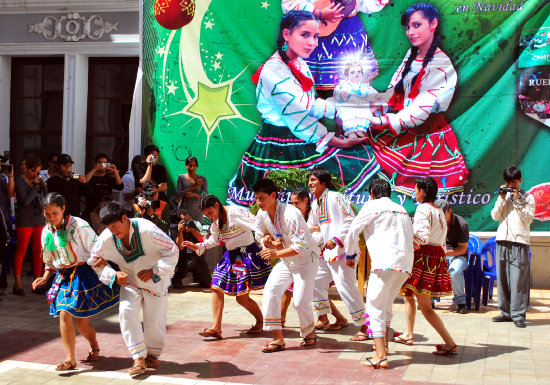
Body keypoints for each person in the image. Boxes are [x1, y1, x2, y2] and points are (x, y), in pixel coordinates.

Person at [227, 10, 380, 206]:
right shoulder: (274, 71)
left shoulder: (298, 63)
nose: (312, 43)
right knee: (285, 201)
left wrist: (347, 109)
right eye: (305, 35)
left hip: (300, 139)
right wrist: (338, 136)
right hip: (279, 146)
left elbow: (310, 104)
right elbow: (299, 113)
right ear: (286, 34)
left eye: (315, 36)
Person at [365, 3, 468, 196]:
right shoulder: (412, 55)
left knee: (423, 191)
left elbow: (421, 109)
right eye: (407, 27)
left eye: (416, 25)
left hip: (426, 133)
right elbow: (395, 89)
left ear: (433, 24)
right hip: (403, 124)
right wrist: (375, 104)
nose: (410, 32)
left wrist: (383, 120)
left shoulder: (440, 63)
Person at [31, 193, 120, 371]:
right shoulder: (46, 231)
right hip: (64, 275)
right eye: (47, 214)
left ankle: (94, 344)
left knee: (82, 323)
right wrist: (45, 276)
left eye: (54, 213)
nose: (51, 218)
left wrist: (106, 270)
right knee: (64, 312)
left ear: (63, 209)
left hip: (83, 273)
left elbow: (95, 249)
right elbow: (50, 259)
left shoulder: (78, 225)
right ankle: (70, 359)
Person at [90, 201, 178, 376]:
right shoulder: (107, 237)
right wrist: (113, 275)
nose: (114, 231)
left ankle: (152, 354)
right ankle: (138, 357)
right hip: (130, 280)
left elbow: (172, 250)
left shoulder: (147, 229)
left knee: (154, 320)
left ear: (125, 218)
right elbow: (94, 261)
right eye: (109, 227)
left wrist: (155, 270)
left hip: (155, 280)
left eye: (115, 226)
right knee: (126, 311)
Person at [344, 179, 414, 369]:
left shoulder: (372, 205)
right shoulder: (401, 209)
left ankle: (381, 356)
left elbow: (353, 231)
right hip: (405, 264)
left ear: (372, 193)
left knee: (374, 307)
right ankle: (385, 347)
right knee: (385, 305)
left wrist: (350, 254)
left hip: (385, 263)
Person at [181, 195, 271, 339]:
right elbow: (214, 240)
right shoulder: (215, 222)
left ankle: (260, 321)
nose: (210, 217)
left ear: (217, 205)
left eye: (210, 213)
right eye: (206, 215)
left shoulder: (236, 212)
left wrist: (269, 239)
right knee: (216, 286)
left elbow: (258, 224)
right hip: (231, 256)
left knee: (241, 298)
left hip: (247, 254)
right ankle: (216, 328)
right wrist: (197, 246)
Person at [253, 178, 320, 352]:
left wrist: (275, 252)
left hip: (306, 261)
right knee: (270, 291)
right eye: (256, 198)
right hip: (286, 261)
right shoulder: (261, 214)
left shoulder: (291, 213)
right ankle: (278, 339)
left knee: (300, 302)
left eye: (262, 198)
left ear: (273, 195)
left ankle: (309, 332)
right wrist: (266, 240)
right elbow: (260, 235)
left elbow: (301, 246)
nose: (258, 202)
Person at [395, 177, 458, 356]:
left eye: (415, 189)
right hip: (434, 257)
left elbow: (422, 237)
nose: (414, 192)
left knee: (425, 306)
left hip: (423, 257)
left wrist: (406, 237)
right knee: (409, 294)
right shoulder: (439, 210)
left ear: (421, 192)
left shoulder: (423, 208)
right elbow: (442, 239)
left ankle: (450, 342)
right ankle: (408, 333)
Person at [307, 167, 369, 341]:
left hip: (343, 252)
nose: (310, 183)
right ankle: (326, 318)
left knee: (346, 288)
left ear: (323, 182)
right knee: (314, 281)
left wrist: (336, 238)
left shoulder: (336, 197)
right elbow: (315, 227)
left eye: (313, 180)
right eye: (309, 180)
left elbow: (351, 219)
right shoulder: (315, 203)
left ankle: (365, 327)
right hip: (326, 254)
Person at [281, 0, 387, 97]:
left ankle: (353, 115)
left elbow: (366, 4)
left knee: (353, 87)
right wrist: (318, 12)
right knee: (302, 88)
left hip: (348, 34)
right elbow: (288, 4)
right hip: (313, 32)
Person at [281, 187, 346, 328]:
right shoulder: (293, 216)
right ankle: (281, 320)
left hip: (317, 256)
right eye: (291, 203)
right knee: (305, 288)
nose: (294, 206)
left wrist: (308, 231)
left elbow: (321, 233)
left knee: (318, 287)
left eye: (297, 203)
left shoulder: (314, 214)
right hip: (298, 256)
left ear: (306, 201)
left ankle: (352, 322)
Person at [490, 166, 535, 328]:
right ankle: (505, 312)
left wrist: (517, 200)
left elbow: (528, 219)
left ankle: (518, 314)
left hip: (520, 242)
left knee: (518, 280)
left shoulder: (528, 198)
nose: (512, 185)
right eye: (509, 182)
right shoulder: (504, 197)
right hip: (502, 239)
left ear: (520, 180)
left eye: (515, 182)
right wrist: (502, 198)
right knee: (503, 279)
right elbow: (495, 216)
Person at [13, 155, 47, 295]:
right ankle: (18, 284)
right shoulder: (20, 181)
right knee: (21, 249)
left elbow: (46, 198)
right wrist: (35, 187)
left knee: (38, 250)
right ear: (27, 169)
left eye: (38, 171)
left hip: (38, 219)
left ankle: (37, 282)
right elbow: (25, 201)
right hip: (25, 220)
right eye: (33, 171)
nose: (35, 174)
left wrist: (43, 186)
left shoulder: (38, 180)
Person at [434, 199, 470, 314]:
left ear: (450, 211)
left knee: (454, 271)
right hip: (440, 254)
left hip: (458, 255)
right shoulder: (435, 223)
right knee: (430, 267)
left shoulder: (462, 224)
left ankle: (460, 303)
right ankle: (429, 300)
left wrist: (444, 254)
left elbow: (463, 249)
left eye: (442, 214)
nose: (440, 217)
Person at [332, 61, 377, 138]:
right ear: (347, 75)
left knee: (365, 111)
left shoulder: (367, 87)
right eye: (352, 72)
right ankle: (351, 132)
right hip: (347, 109)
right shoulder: (342, 86)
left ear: (362, 74)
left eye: (359, 72)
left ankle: (361, 130)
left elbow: (374, 100)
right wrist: (343, 96)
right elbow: (337, 100)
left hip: (361, 109)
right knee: (347, 112)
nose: (356, 74)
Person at [171, 209, 211, 289]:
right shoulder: (176, 229)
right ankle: (177, 278)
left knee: (207, 283)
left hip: (198, 257)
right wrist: (180, 231)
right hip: (183, 259)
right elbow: (180, 247)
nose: (187, 223)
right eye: (184, 221)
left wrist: (193, 230)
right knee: (191, 261)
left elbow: (203, 240)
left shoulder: (196, 224)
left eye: (188, 220)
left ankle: (197, 275)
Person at [83, 153, 123, 220]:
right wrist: (94, 169)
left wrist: (115, 171)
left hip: (106, 212)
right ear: (95, 164)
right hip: (91, 211)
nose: (102, 165)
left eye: (105, 163)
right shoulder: (91, 178)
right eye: (100, 163)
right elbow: (83, 182)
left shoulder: (109, 179)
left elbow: (120, 186)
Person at [175, 156, 208, 223]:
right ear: (186, 166)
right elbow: (178, 194)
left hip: (197, 213)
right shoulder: (181, 177)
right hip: (183, 212)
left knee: (197, 232)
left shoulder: (202, 179)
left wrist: (194, 195)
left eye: (194, 165)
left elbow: (206, 197)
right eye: (190, 165)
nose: (192, 168)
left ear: (197, 166)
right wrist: (194, 186)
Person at [0, 160, 15, 296]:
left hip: (2, 218)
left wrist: (11, 177)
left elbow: (10, 194)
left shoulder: (3, 178)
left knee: (2, 253)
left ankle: (2, 284)